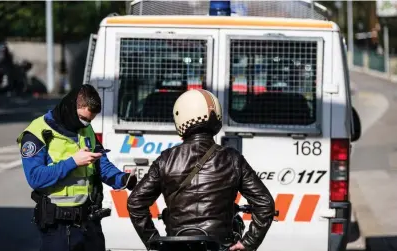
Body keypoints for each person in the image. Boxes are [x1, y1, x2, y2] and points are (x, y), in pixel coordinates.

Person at [127, 89, 275, 251]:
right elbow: (265, 204)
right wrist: (248, 243)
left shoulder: (166, 159)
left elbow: (135, 202)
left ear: (180, 118)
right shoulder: (232, 158)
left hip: (176, 246)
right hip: (220, 246)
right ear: (216, 118)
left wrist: (154, 241)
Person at [17, 84, 137, 251]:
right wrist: (73, 162)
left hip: (89, 223)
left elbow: (101, 163)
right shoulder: (37, 133)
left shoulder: (85, 129)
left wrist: (122, 179)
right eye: (83, 118)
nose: (86, 123)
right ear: (71, 107)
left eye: (90, 120)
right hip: (59, 227)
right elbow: (35, 178)